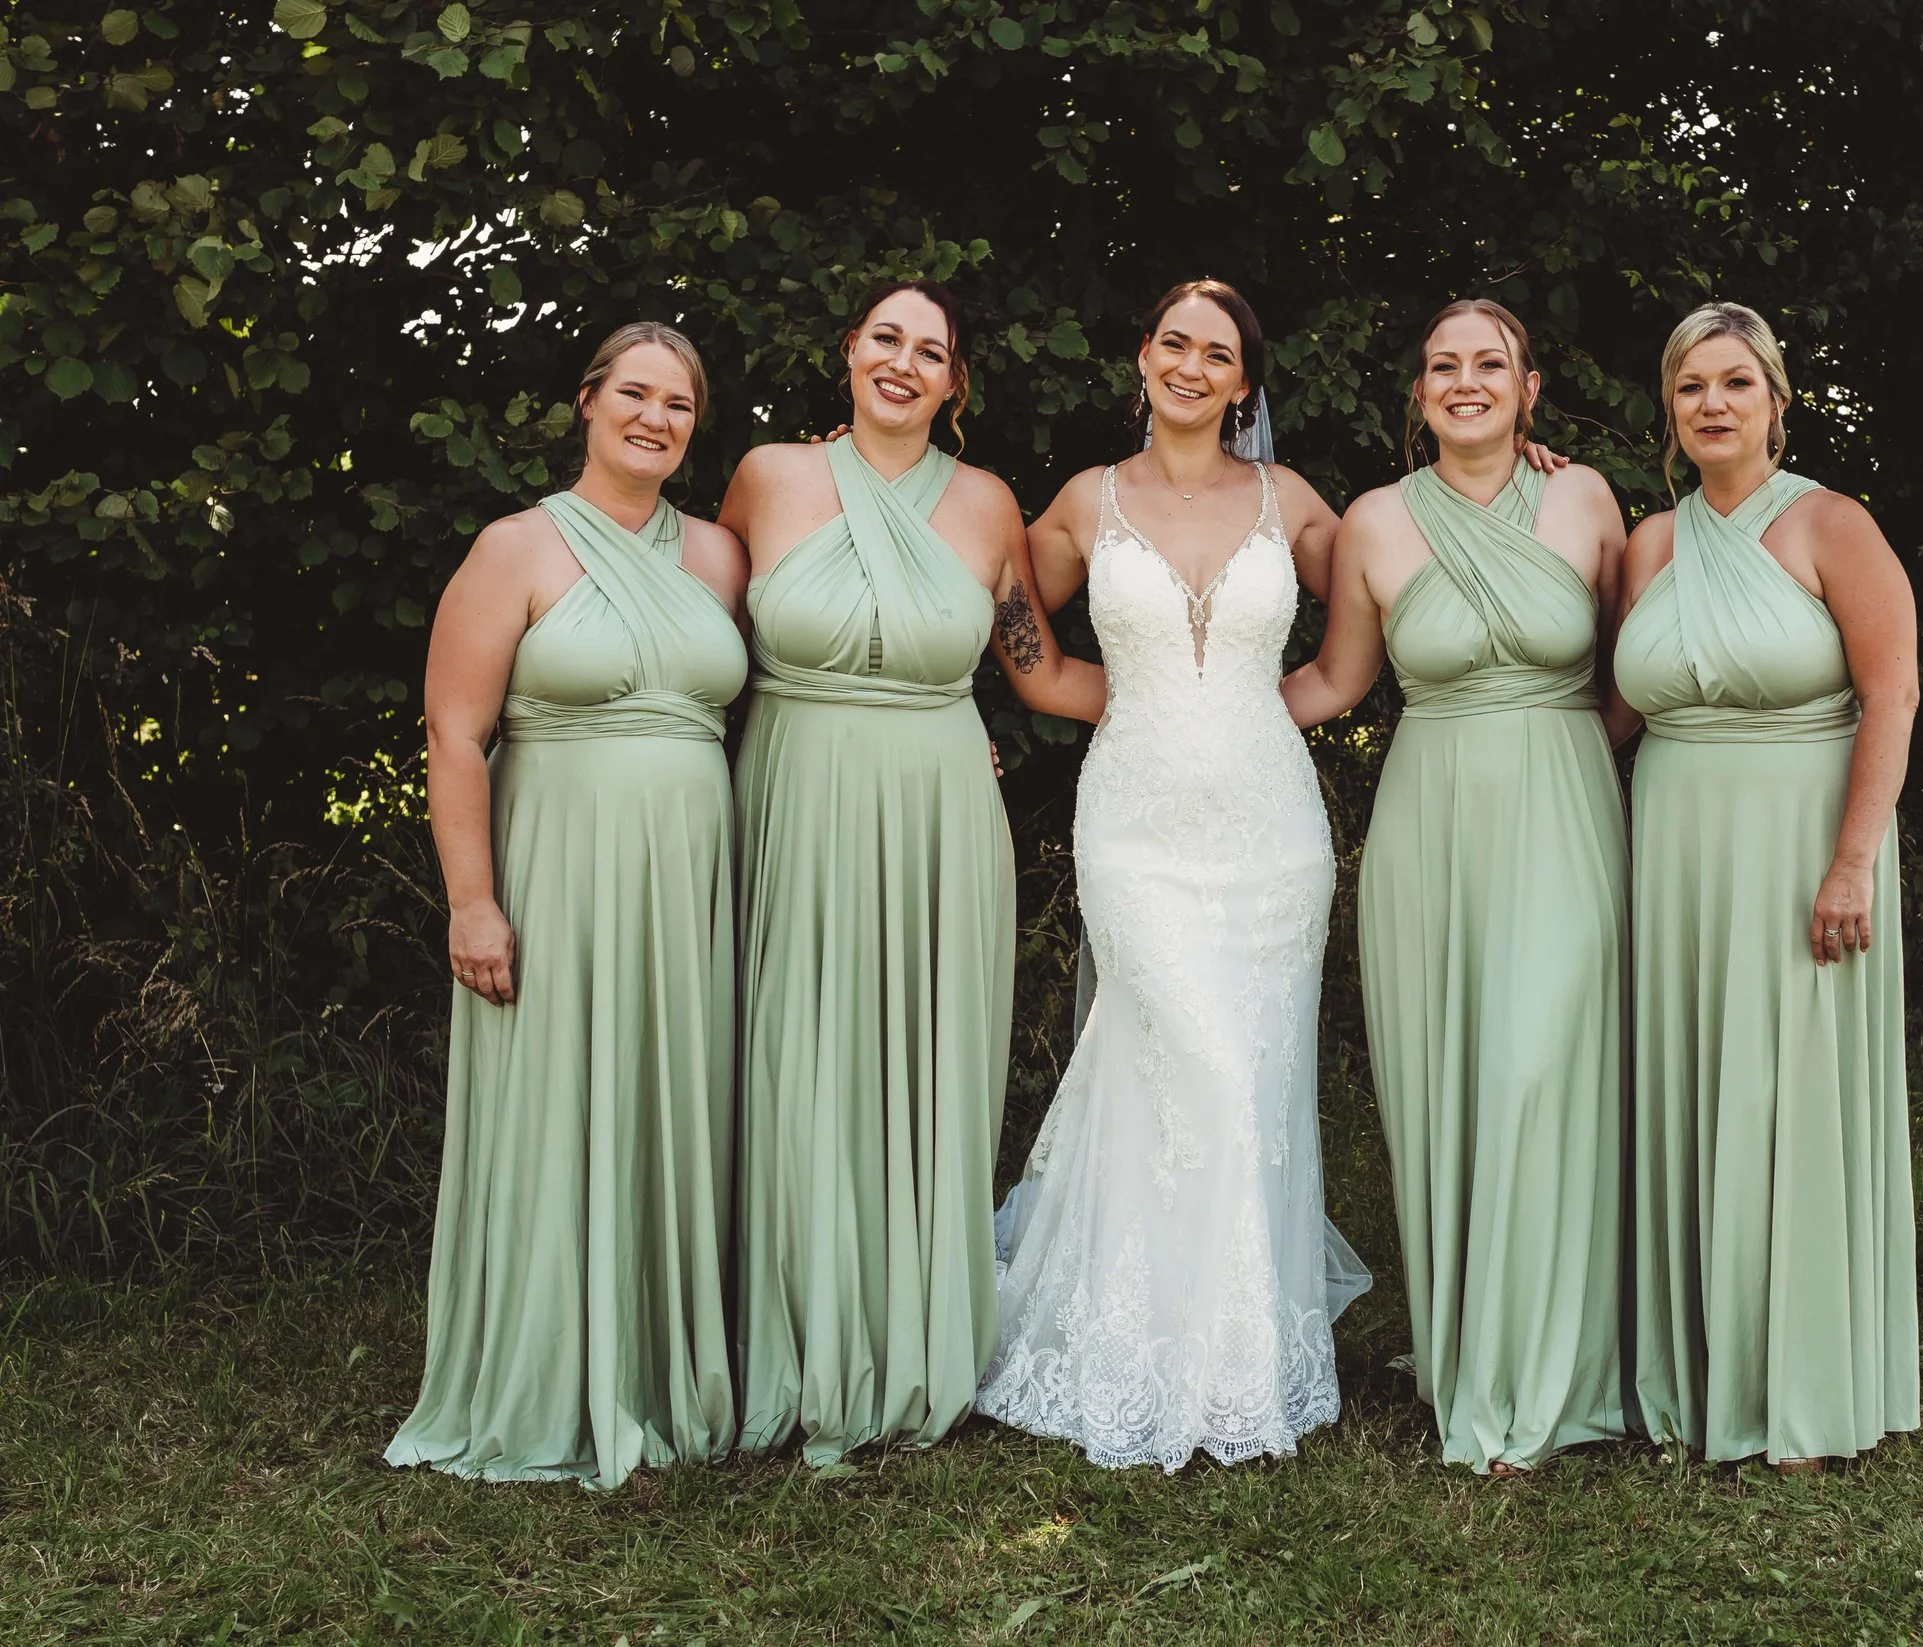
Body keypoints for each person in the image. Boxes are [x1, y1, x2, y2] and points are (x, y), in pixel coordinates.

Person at [974, 279, 1371, 1471]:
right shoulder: (1084, 502)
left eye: (1219, 353)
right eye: (1173, 344)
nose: (1193, 366)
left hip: (1269, 834)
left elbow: (1346, 667)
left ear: (1244, 382)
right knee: (1181, 1056)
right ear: (1141, 358)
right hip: (1135, 827)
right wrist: (1147, 706)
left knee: (1242, 1083)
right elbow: (1028, 648)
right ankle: (1141, 1353)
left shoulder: (1293, 503)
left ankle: (1232, 1366)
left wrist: (1527, 465)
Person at [718, 280, 1105, 1467]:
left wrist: (1210, 707)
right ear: (848, 352)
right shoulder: (767, 477)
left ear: (955, 385)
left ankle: (915, 1342)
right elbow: (695, 643)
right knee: (800, 1058)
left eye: (928, 351)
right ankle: (795, 1345)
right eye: (884, 338)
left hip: (940, 808)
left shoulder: (988, 505)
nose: (902, 362)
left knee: (927, 1064)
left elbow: (1038, 672)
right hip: (795, 790)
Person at [388, 322, 748, 1487]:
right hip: (558, 864)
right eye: (634, 395)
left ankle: (654, 1369)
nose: (655, 418)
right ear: (587, 404)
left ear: (695, 430)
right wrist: (472, 902)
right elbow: (454, 735)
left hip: (690, 873)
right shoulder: (517, 547)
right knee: (556, 1101)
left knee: (672, 1099)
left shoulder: (721, 557)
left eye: (678, 405)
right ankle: (542, 1375)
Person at [1282, 299, 1632, 1474]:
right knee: (1448, 1083)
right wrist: (1177, 723)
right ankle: (1470, 1354)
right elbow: (1334, 682)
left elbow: (1637, 665)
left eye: (1491, 365)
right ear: (1418, 392)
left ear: (1530, 391)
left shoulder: (1585, 499)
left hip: (1562, 801)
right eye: (1444, 365)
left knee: (1542, 1067)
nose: (1467, 381)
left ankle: (1546, 1373)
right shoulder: (1375, 521)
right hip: (1428, 816)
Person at [1609, 300, 1921, 1471]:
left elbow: (1890, 697)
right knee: (1697, 1090)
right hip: (1675, 846)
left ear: (1776, 402)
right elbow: (1611, 707)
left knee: (1784, 1099)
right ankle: (1697, 1377)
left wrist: (1851, 860)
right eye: (1691, 387)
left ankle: (1800, 1388)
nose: (1713, 405)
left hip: (1802, 842)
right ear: (1671, 408)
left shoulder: (1831, 525)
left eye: (1735, 383)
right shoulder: (1650, 542)